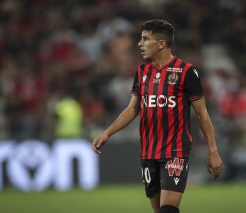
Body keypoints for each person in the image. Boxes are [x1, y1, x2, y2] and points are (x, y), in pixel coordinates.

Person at [92, 19, 223, 213]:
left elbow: (201, 113)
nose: (139, 44)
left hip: (175, 151)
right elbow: (133, 109)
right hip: (148, 151)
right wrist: (107, 133)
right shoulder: (142, 72)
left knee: (168, 209)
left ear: (161, 43)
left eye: (145, 39)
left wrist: (213, 150)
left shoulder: (186, 72)